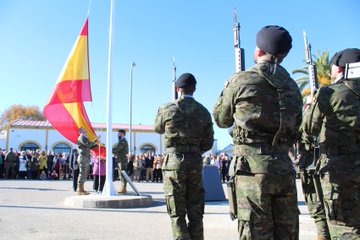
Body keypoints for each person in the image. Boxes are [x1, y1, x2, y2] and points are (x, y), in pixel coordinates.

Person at [213, 25, 303, 239]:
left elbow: (221, 119)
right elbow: (297, 127)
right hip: (283, 167)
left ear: (260, 51)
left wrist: (227, 89)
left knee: (255, 232)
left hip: (251, 171)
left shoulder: (241, 80)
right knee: (287, 232)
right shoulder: (293, 87)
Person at [302, 48, 360, 239]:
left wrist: (311, 105)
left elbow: (309, 128)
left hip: (340, 168)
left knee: (343, 227)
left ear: (341, 68)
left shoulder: (331, 92)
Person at [154, 72, 214, 240]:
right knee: (195, 209)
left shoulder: (167, 108)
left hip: (174, 163)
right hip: (195, 162)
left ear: (177, 89)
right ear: (194, 89)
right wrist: (194, 150)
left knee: (177, 209)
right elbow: (208, 143)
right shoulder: (203, 111)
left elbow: (157, 128)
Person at [76, 127, 100, 195]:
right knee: (82, 173)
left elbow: (90, 146)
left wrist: (97, 145)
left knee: (85, 173)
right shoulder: (81, 137)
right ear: (80, 131)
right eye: (84, 129)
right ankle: (79, 189)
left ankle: (82, 188)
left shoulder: (85, 137)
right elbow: (88, 144)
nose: (85, 129)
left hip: (86, 157)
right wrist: (95, 140)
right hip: (83, 157)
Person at [112, 129, 129, 194]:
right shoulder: (121, 141)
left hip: (122, 159)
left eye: (119, 133)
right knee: (120, 173)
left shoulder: (123, 141)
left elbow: (116, 148)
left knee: (122, 173)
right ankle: (122, 187)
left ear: (122, 134)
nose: (118, 135)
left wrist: (107, 149)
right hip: (120, 159)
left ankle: (124, 188)